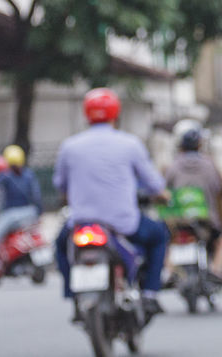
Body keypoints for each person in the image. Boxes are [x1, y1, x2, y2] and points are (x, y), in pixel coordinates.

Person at [53, 87, 170, 318]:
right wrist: (162, 195)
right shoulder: (130, 144)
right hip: (123, 224)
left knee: (59, 246)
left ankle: (72, 293)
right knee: (159, 236)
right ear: (116, 114)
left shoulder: (70, 146)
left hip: (81, 224)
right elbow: (154, 183)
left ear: (86, 114)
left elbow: (60, 185)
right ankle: (150, 293)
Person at [163, 125, 222, 282]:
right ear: (200, 145)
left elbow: (164, 189)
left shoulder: (173, 165)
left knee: (164, 240)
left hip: (178, 218)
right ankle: (215, 269)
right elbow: (219, 188)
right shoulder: (209, 164)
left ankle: (169, 270)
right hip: (206, 218)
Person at [0, 144, 42, 283]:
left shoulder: (6, 176)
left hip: (11, 215)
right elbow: (37, 196)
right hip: (30, 213)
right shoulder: (29, 175)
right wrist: (38, 213)